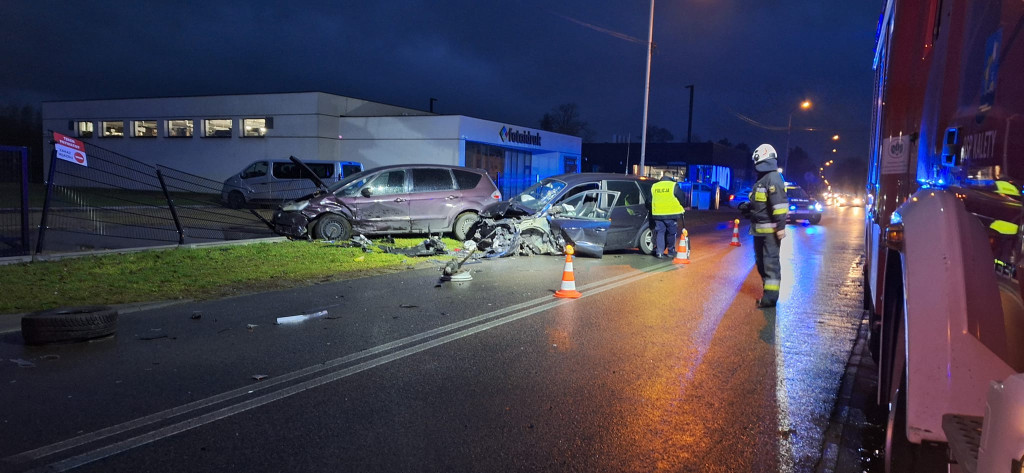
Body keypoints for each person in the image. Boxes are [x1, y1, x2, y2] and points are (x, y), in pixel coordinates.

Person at [738, 144, 788, 308]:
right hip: (759, 230)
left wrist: (780, 228)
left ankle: (770, 299)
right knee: (761, 263)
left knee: (770, 264)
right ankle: (768, 292)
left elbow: (779, 205)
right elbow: (760, 203)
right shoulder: (761, 180)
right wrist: (748, 208)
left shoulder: (773, 178)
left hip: (771, 233)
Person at [650, 173, 686, 258]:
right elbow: (681, 197)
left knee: (660, 232)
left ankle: (659, 253)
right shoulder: (673, 185)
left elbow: (649, 199)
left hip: (657, 214)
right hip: (670, 214)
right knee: (671, 233)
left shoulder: (654, 186)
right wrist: (682, 205)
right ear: (671, 177)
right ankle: (670, 251)